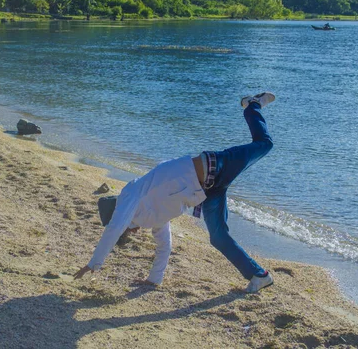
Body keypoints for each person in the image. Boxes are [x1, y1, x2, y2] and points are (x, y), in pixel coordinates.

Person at [74, 92, 276, 293]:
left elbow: (114, 228)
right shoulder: (150, 217)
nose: (133, 232)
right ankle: (259, 276)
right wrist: (154, 279)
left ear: (119, 215)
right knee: (218, 237)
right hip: (210, 190)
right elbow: (164, 245)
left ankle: (252, 105)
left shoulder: (131, 193)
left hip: (215, 166)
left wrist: (94, 264)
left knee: (265, 144)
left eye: (127, 230)